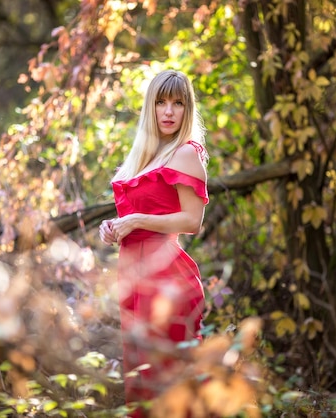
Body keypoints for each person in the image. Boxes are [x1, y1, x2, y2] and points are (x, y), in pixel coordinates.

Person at [99, 69, 209, 416]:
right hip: (134, 275)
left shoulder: (186, 153)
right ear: (150, 106)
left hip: (167, 279)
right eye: (161, 102)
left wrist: (137, 221)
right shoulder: (146, 157)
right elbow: (137, 217)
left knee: (169, 382)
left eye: (178, 103)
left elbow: (193, 221)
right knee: (142, 381)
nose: (169, 111)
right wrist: (114, 227)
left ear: (187, 108)